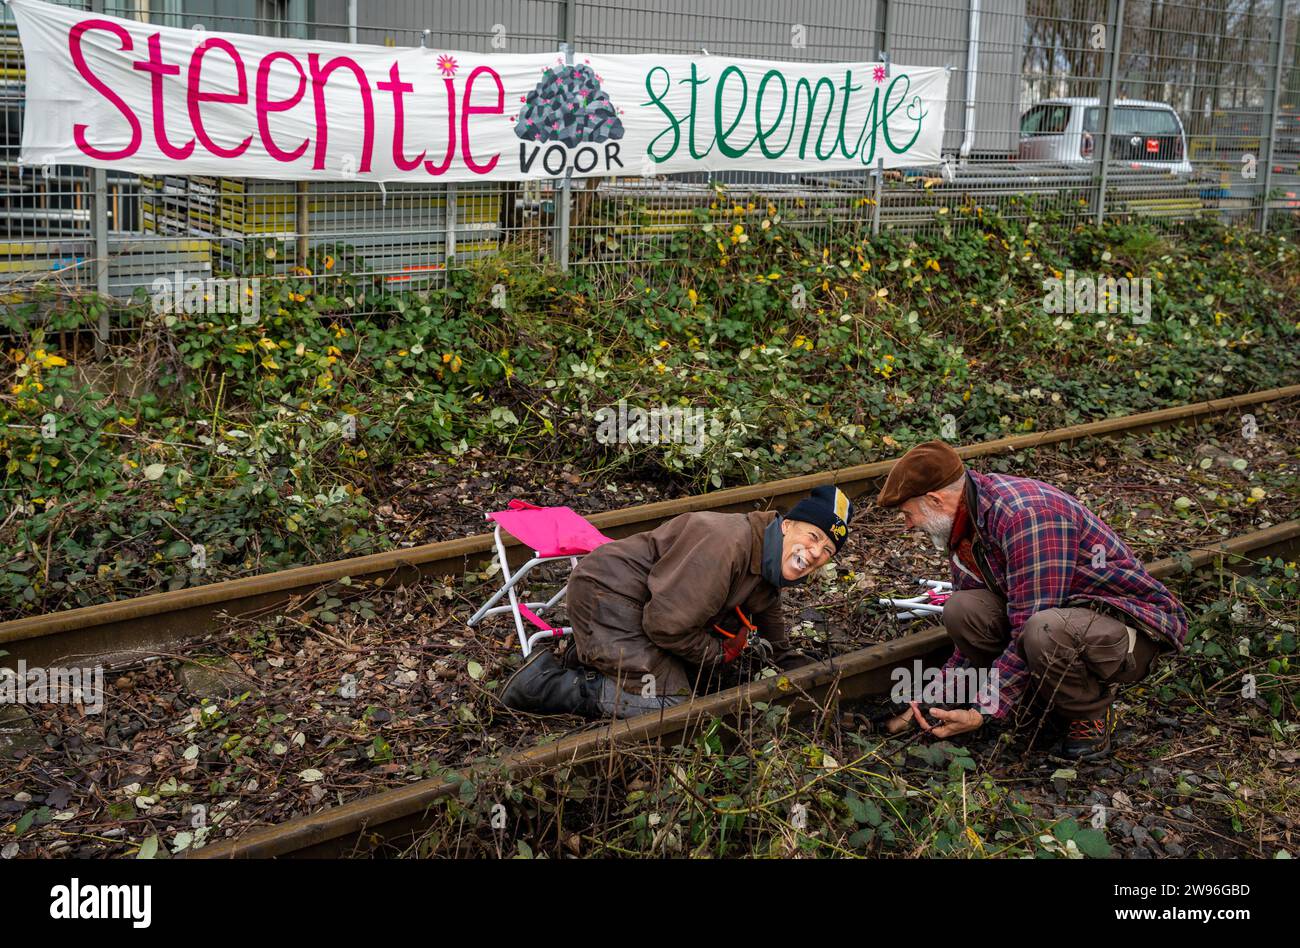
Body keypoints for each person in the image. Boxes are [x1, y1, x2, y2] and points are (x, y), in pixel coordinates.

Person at [876, 441, 1186, 759]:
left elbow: (1028, 624)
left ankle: (1089, 713)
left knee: (1043, 630)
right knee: (962, 609)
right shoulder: (964, 527)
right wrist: (933, 701)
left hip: (1128, 629)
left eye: (907, 513)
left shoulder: (1024, 515)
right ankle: (1039, 698)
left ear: (935, 499)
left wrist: (984, 710)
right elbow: (982, 630)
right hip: (1065, 621)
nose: (908, 524)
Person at [499, 485, 853, 718]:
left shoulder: (767, 558)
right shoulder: (727, 545)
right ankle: (541, 685)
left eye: (826, 551)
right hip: (609, 598)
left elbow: (771, 627)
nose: (815, 552)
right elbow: (665, 626)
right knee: (671, 705)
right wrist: (719, 652)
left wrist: (808, 671)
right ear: (788, 525)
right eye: (813, 536)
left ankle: (591, 657)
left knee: (700, 680)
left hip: (639, 605)